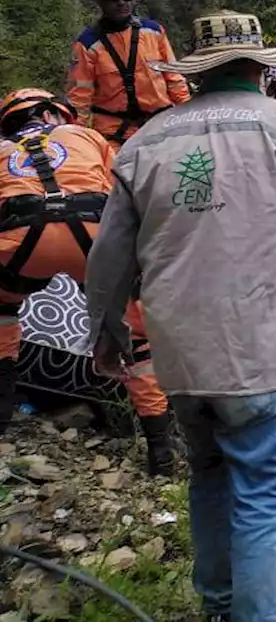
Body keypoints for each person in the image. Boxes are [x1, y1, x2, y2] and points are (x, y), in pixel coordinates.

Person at [85, 10, 276, 622]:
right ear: (260, 67)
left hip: (180, 353)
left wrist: (108, 331)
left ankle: (220, 606)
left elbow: (109, 258)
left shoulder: (146, 140)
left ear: (198, 74)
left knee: (207, 474)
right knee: (262, 492)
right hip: (260, 348)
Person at [0, 89, 174, 473]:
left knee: (3, 314)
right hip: (92, 238)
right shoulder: (87, 137)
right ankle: (160, 450)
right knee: (138, 340)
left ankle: (3, 411)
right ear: (53, 115)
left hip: (19, 240)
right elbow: (126, 194)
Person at [66, 0, 190, 151]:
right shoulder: (87, 44)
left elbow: (174, 80)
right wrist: (76, 144)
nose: (121, 2)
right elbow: (80, 99)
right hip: (115, 135)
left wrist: (188, 116)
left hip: (162, 126)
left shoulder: (153, 32)